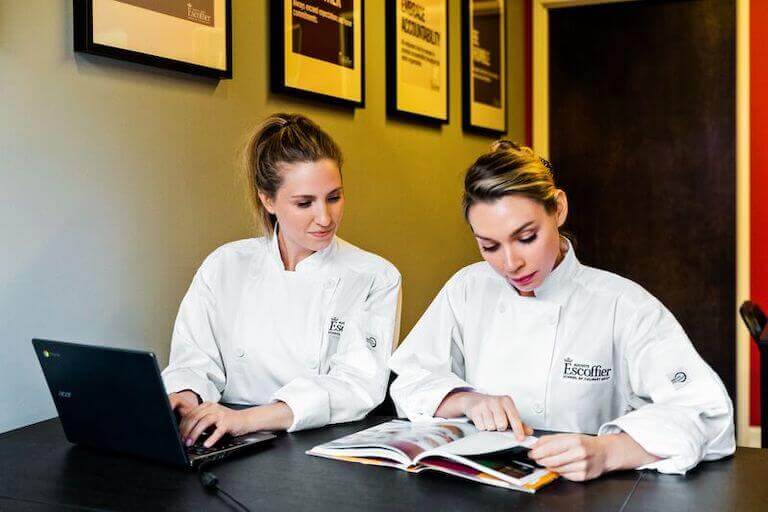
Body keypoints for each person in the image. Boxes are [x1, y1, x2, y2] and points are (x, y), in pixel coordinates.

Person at [388, 140, 735, 481]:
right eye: (489, 246)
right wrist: (467, 400)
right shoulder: (467, 288)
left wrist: (608, 451)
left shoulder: (624, 306)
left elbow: (708, 416)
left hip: (591, 496)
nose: (511, 263)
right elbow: (411, 378)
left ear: (558, 209)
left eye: (526, 237)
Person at [162, 113, 401, 448]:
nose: (325, 218)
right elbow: (193, 359)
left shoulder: (374, 276)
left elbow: (356, 385)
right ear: (268, 200)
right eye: (305, 202)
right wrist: (185, 398)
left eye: (334, 197)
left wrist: (247, 420)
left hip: (318, 445)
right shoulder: (225, 265)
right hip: (224, 438)